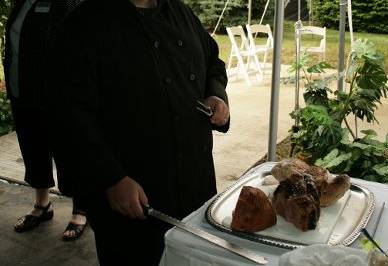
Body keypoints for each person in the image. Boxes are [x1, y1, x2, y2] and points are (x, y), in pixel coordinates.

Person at [46, 0, 230, 264]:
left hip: (196, 188)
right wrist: (111, 179)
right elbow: (67, 116)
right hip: (134, 201)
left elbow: (213, 60)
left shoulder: (180, 12)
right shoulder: (83, 25)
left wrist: (216, 93)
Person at [4, 0, 87, 241]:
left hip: (58, 97)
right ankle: (42, 205)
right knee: (33, 150)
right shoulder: (22, 3)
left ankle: (81, 210)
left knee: (72, 153)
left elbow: (78, 48)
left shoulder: (71, 2)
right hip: (22, 93)